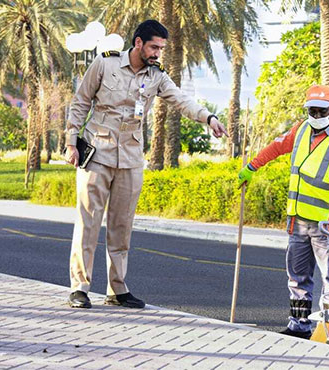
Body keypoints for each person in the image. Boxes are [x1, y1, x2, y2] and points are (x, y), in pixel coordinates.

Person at [64, 19, 227, 309]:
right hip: (97, 153)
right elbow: (80, 102)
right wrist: (70, 143)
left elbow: (181, 100)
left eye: (161, 49)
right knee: (88, 223)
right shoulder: (105, 65)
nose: (158, 53)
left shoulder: (157, 77)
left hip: (130, 158)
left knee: (121, 226)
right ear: (138, 43)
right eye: (154, 47)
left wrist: (209, 118)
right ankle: (80, 287)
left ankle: (117, 289)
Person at [237, 84, 329, 339]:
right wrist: (251, 166)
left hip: (327, 224)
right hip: (298, 222)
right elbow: (275, 147)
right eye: (311, 111)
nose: (315, 116)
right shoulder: (301, 131)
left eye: (320, 111)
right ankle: (299, 327)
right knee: (297, 278)